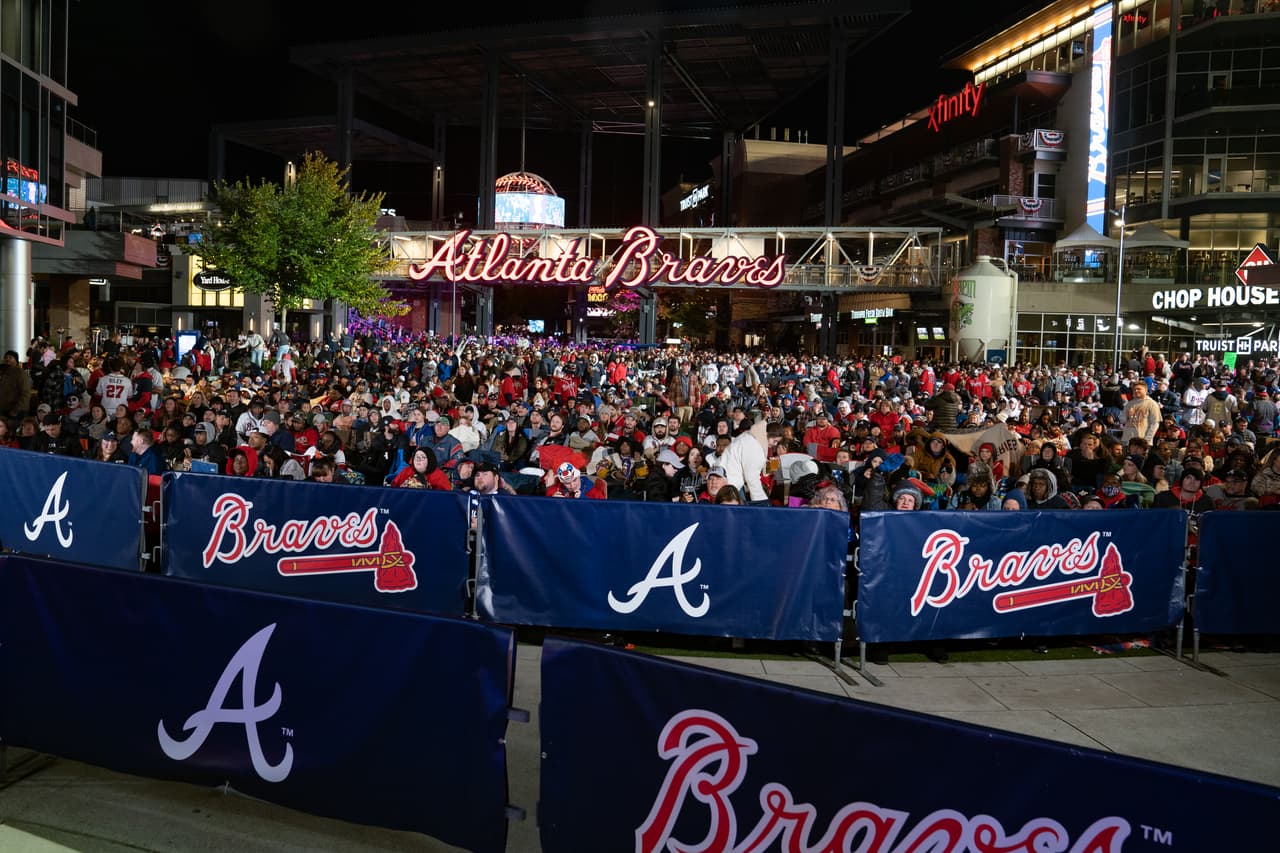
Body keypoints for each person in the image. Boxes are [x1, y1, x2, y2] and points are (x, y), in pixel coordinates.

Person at [720, 419, 785, 506]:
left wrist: (772, 464)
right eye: (775, 441)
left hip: (728, 480)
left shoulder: (751, 438)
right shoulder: (754, 445)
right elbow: (752, 478)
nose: (775, 444)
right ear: (767, 434)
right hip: (728, 484)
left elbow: (756, 464)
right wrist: (762, 503)